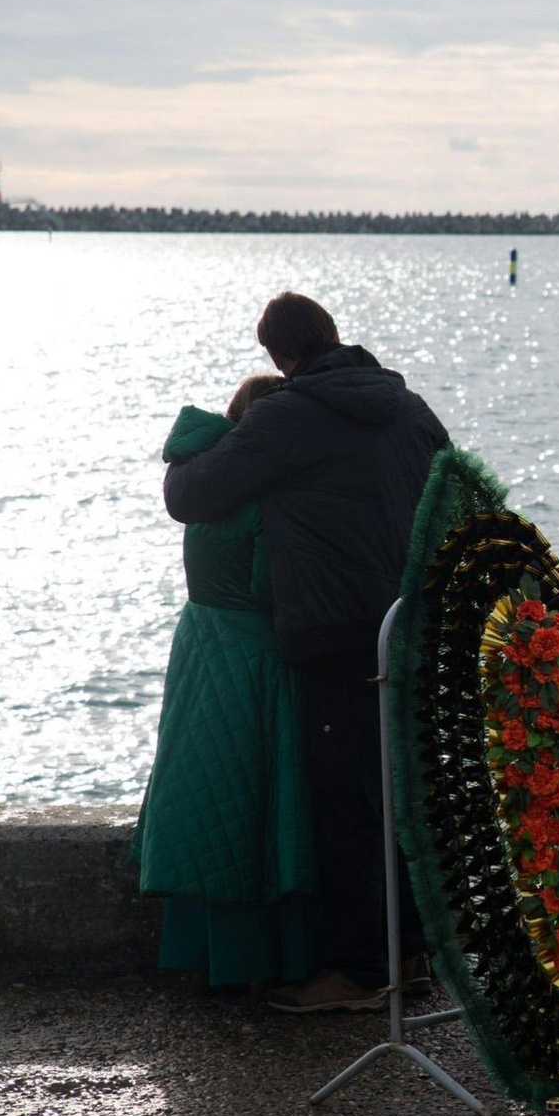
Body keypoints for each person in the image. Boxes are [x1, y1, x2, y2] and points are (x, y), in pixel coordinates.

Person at [165, 292, 452, 1013]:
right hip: (408, 625)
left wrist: (190, 439)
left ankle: (358, 973)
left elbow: (193, 495)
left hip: (333, 635)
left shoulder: (287, 414)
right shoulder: (409, 407)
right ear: (332, 334)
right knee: (396, 793)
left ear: (276, 356)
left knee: (345, 805)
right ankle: (411, 953)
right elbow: (453, 492)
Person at [135, 375, 320, 988]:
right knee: (259, 802)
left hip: (199, 646)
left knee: (208, 791)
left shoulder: (201, 482)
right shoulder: (262, 499)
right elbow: (275, 589)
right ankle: (277, 957)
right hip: (254, 658)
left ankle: (204, 952)